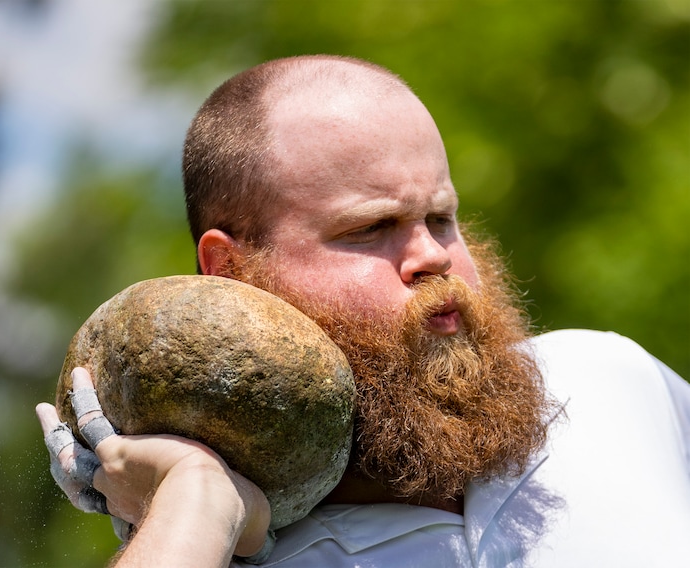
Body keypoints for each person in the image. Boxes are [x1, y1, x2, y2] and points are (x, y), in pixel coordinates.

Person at [36, 55, 690, 567]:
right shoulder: (217, 545)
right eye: (371, 228)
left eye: (442, 217)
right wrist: (194, 503)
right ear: (229, 272)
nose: (431, 256)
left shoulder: (612, 380)